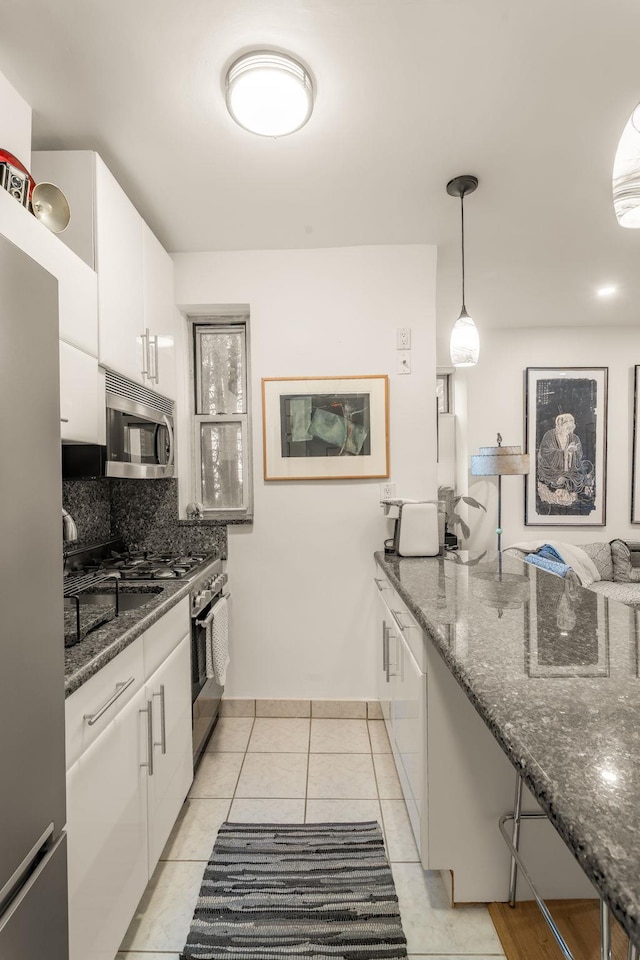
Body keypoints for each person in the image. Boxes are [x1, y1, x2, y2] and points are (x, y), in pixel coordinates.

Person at [537, 412, 595, 506]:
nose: (569, 430)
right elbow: (545, 453)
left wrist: (574, 452)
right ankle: (562, 485)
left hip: (570, 468)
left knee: (585, 467)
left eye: (571, 427)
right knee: (563, 481)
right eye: (566, 427)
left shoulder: (574, 438)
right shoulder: (549, 436)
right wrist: (565, 452)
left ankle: (571, 487)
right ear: (559, 426)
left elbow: (579, 455)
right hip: (551, 469)